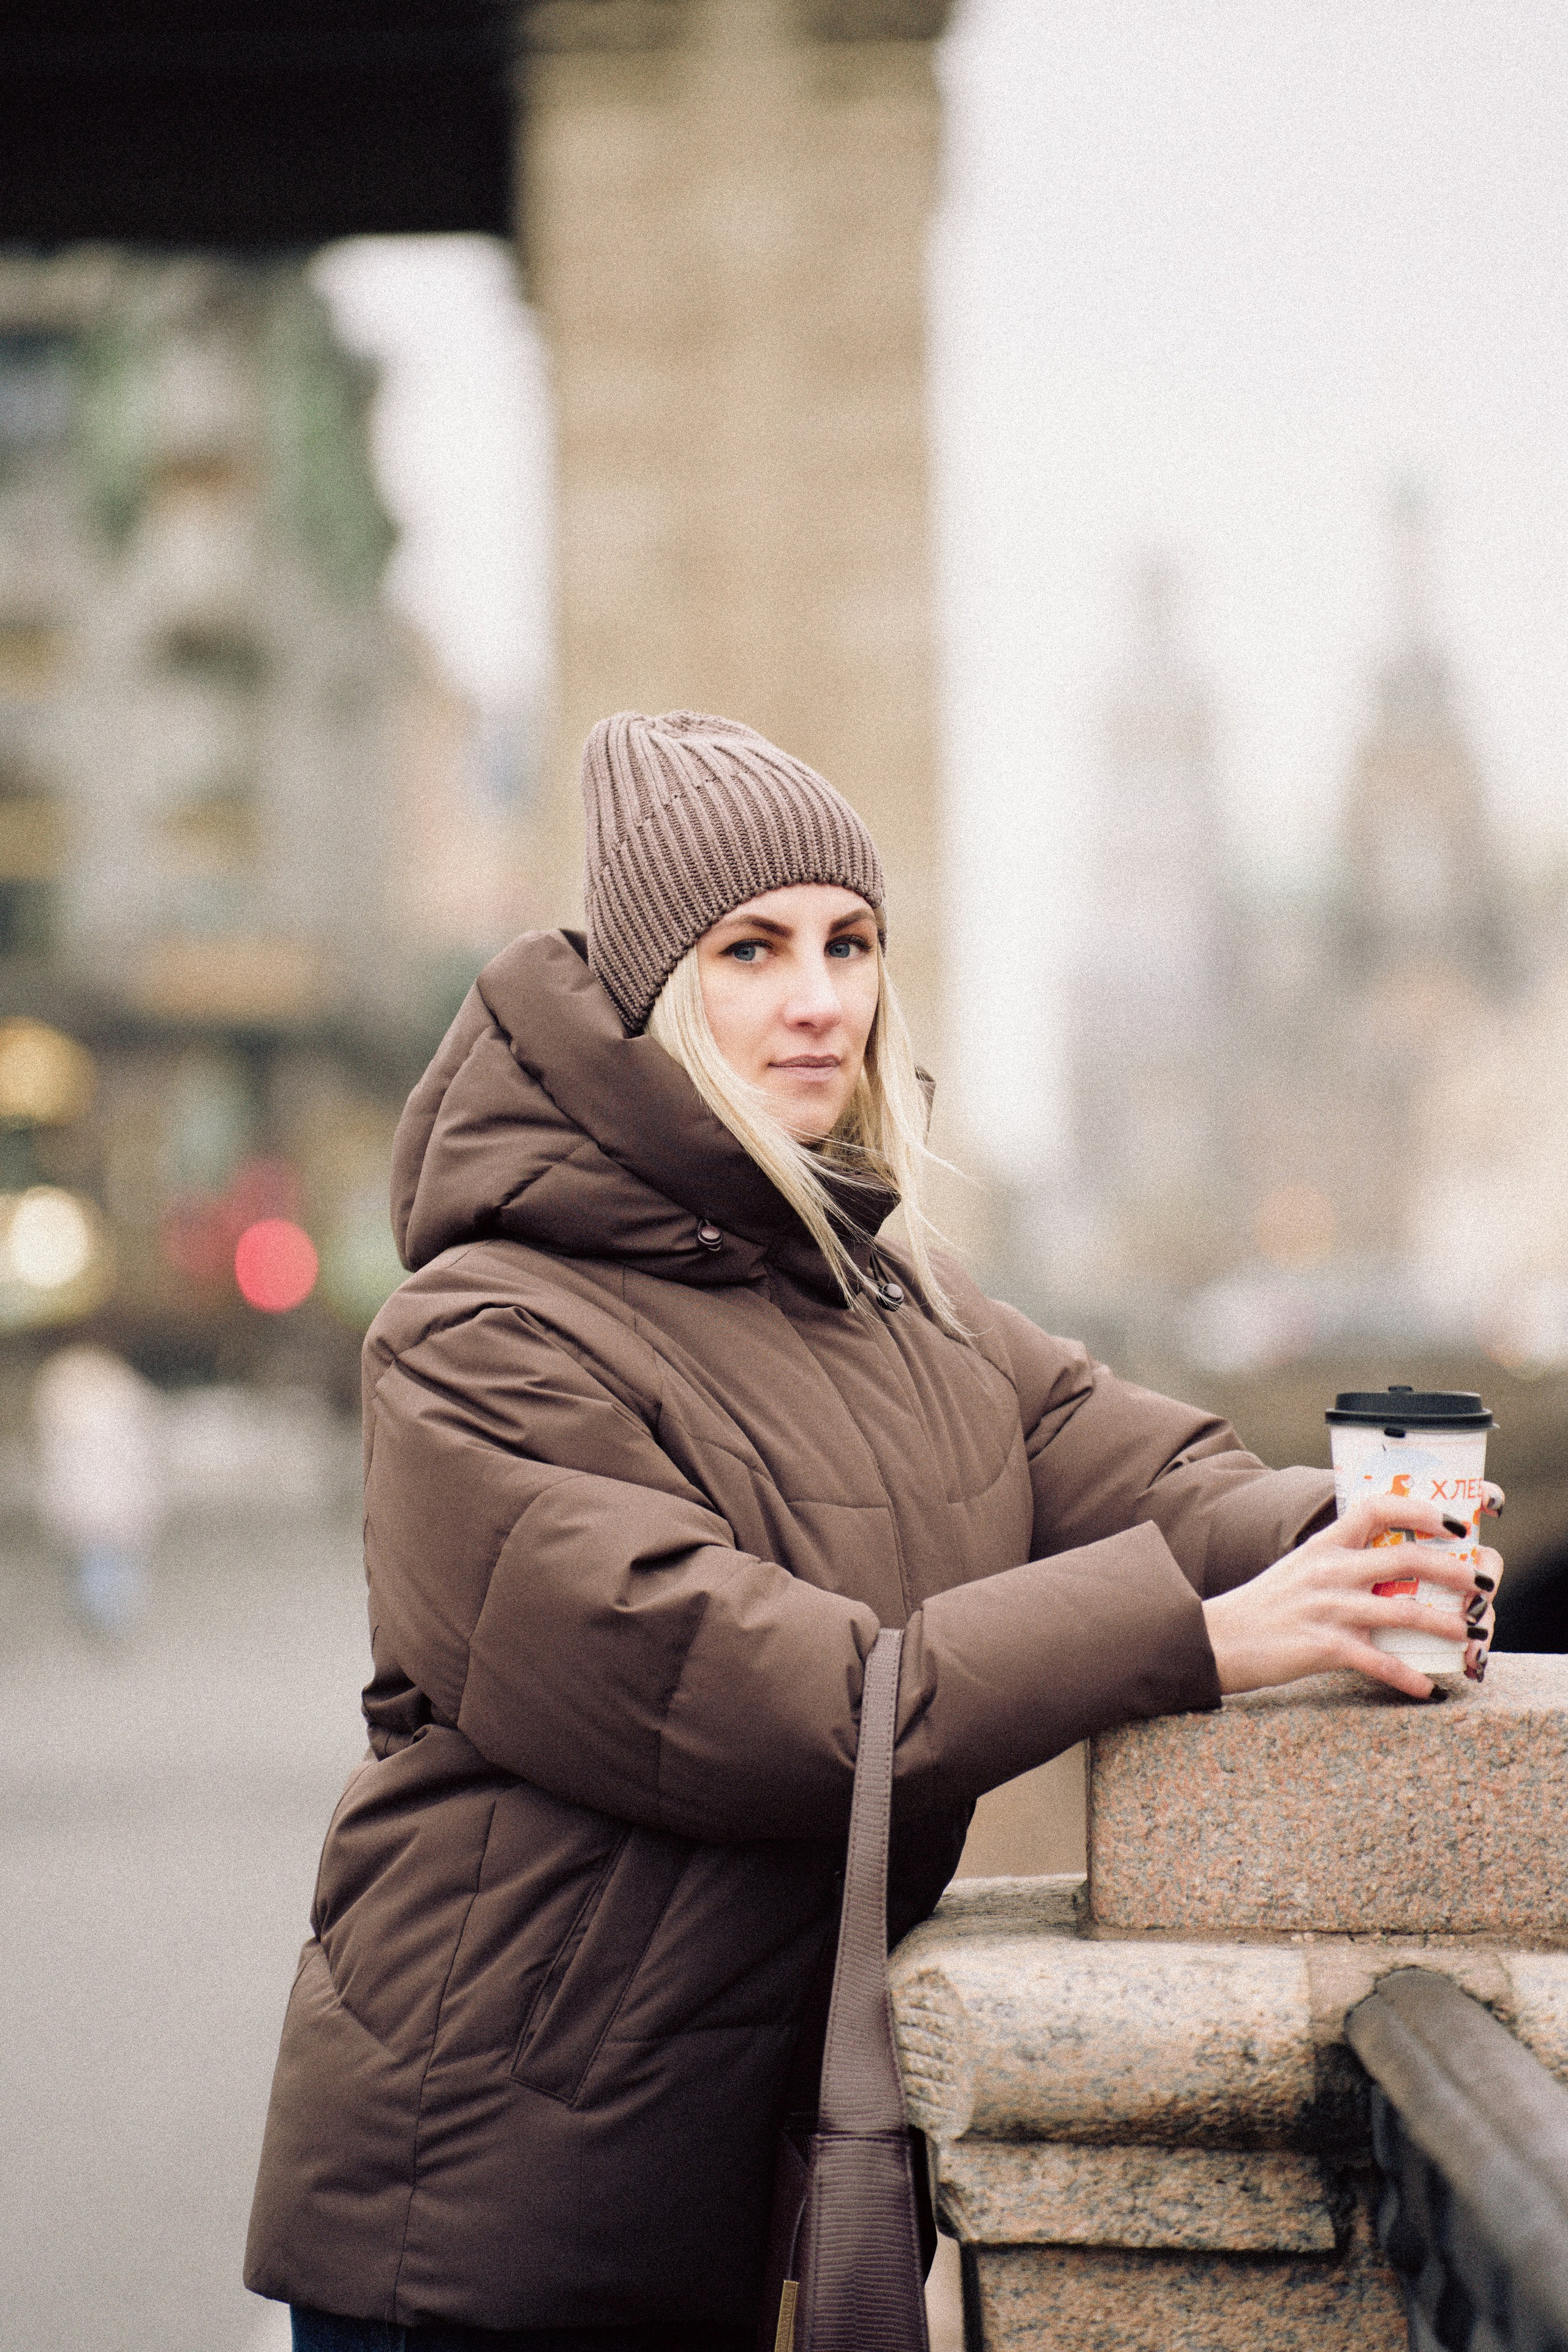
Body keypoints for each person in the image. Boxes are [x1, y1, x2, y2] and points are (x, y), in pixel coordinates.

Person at [246, 710, 1501, 2352]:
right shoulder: (477, 1340)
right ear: (646, 987)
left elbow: (1159, 1476)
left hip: (740, 2173)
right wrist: (1193, 1646)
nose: (820, 997)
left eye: (851, 943)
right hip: (495, 2207)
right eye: (751, 949)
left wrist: (1361, 1525)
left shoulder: (904, 1299)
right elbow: (778, 1703)